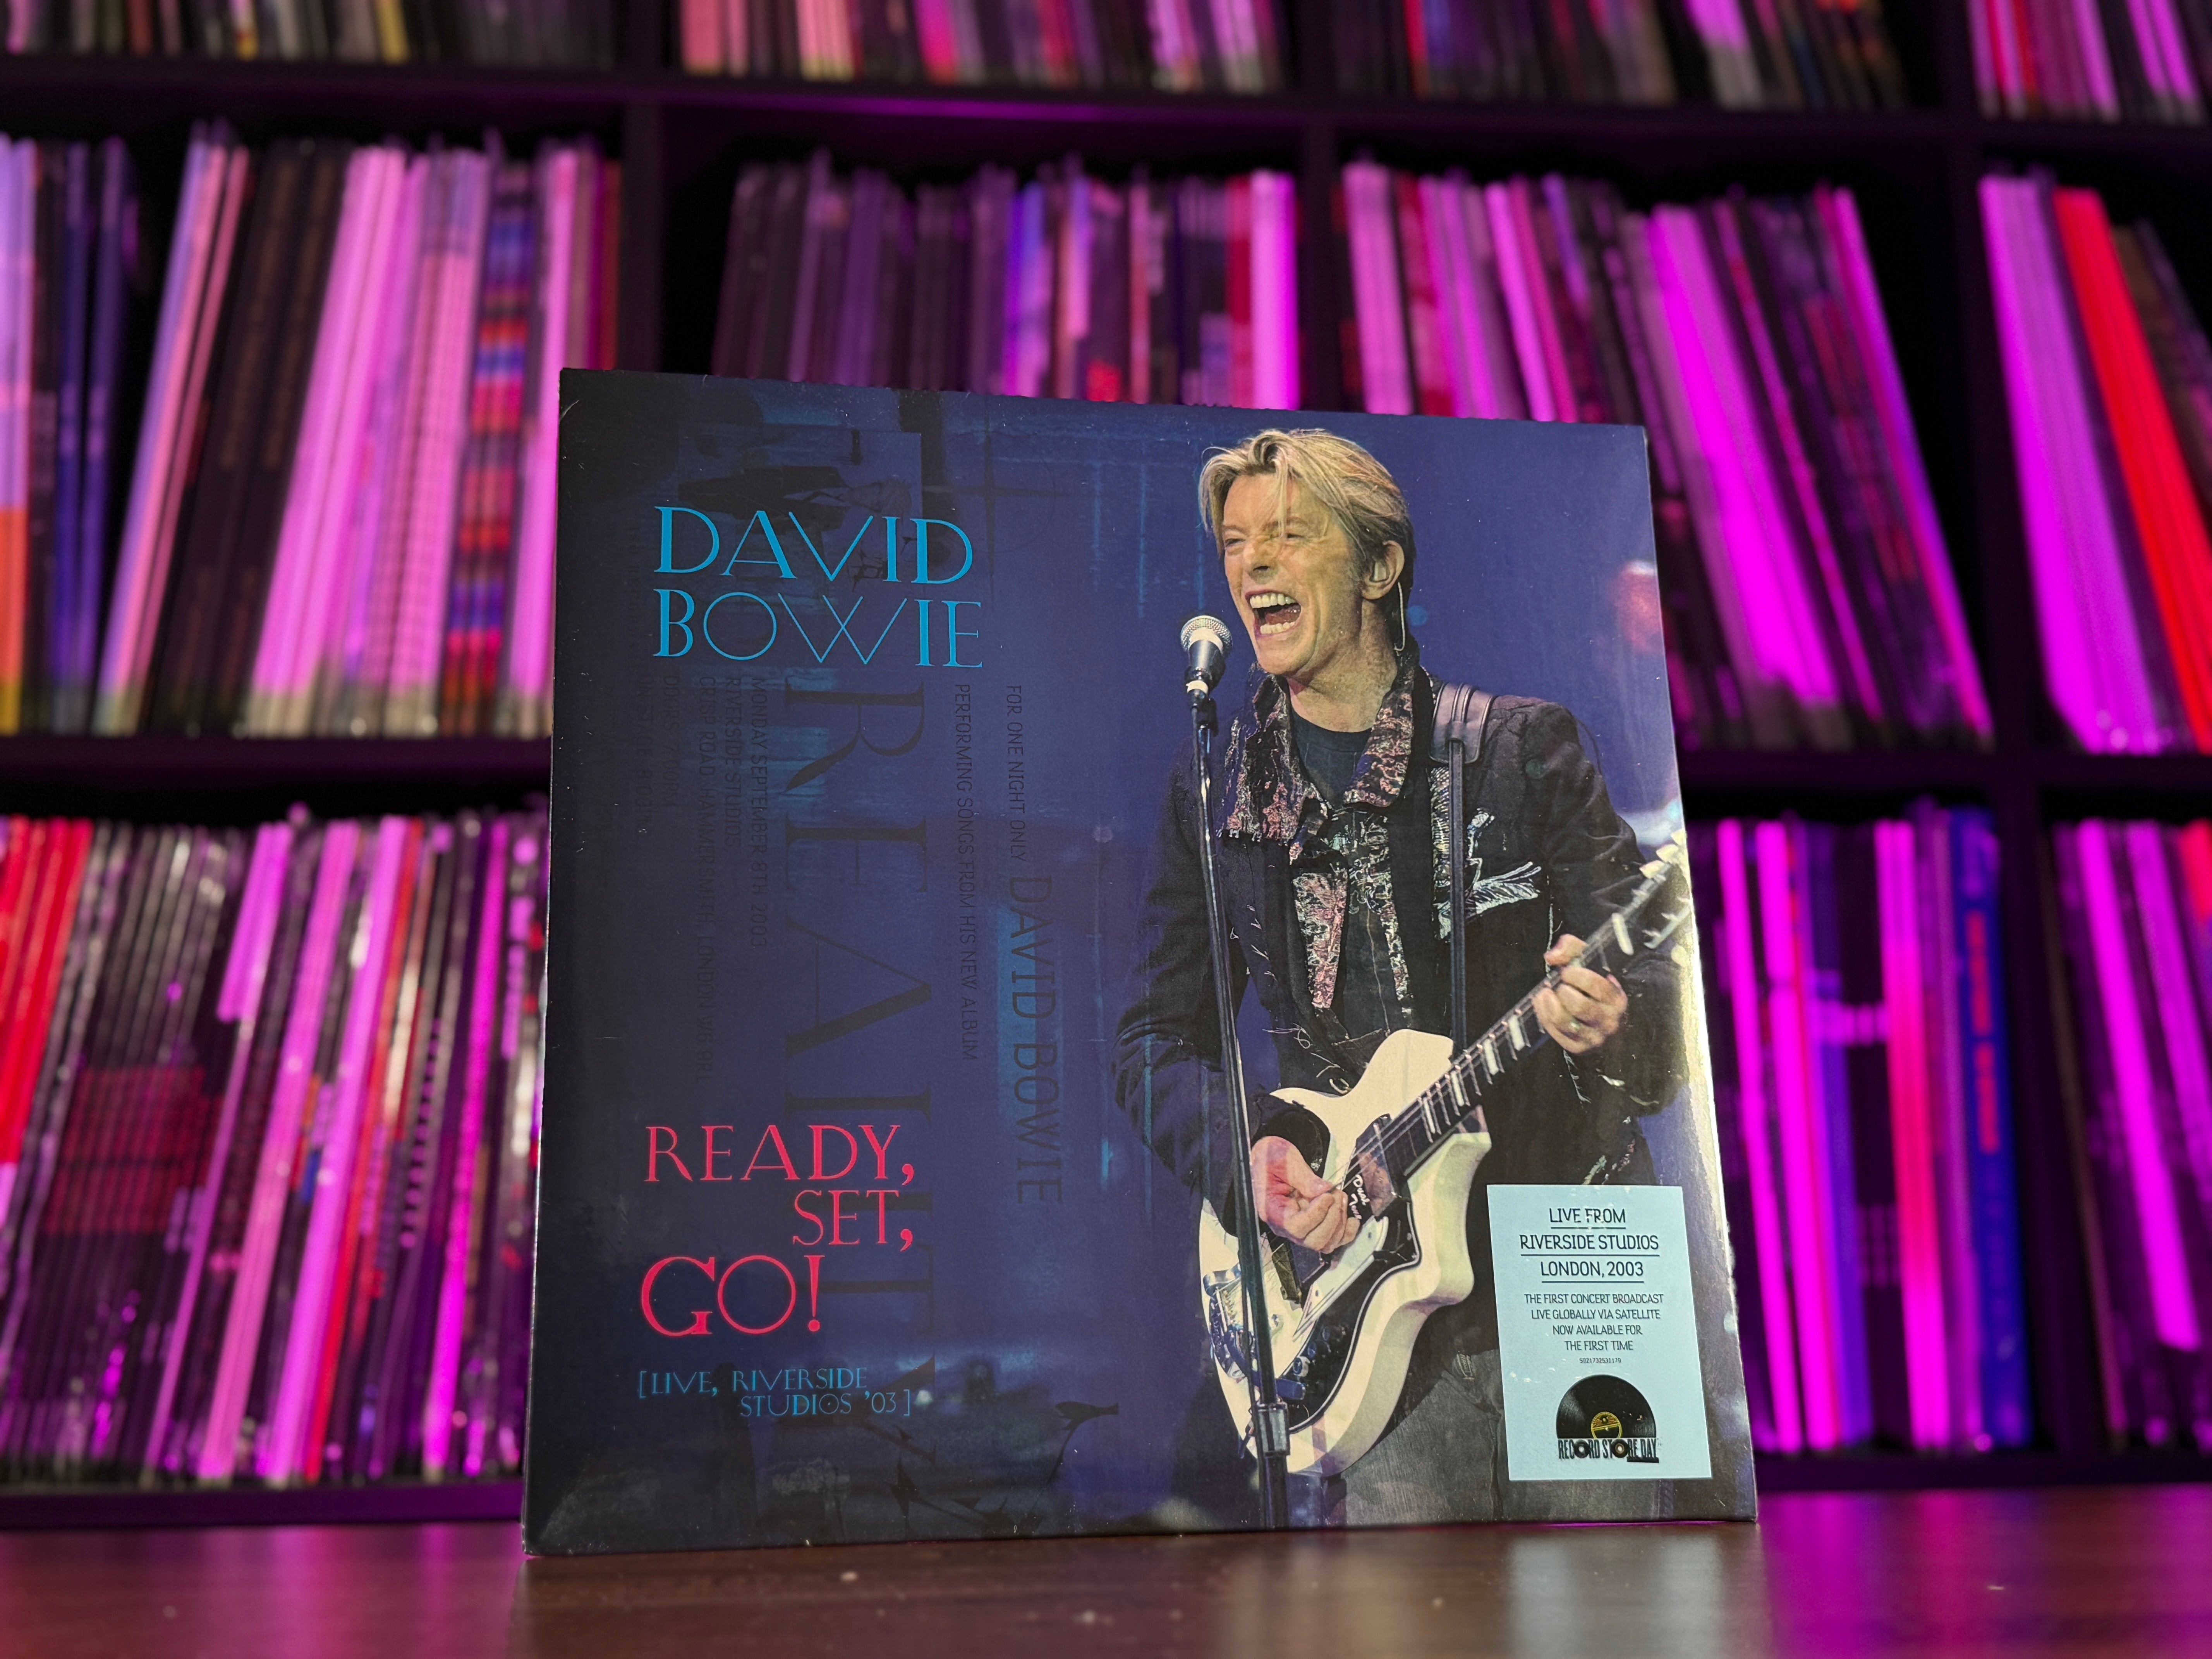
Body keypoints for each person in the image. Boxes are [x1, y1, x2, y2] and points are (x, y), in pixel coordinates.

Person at [1112, 428, 1683, 1525]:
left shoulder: (1520, 752)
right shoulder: (1219, 791)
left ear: (1380, 567)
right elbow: (1151, 1040)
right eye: (1236, 542)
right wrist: (1248, 1156)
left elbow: (1664, 999)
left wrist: (1616, 1014)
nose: (1254, 563)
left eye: (1290, 535)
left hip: (1576, 1261)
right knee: (1413, 1605)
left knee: (1621, 1590)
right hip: (1370, 1309)